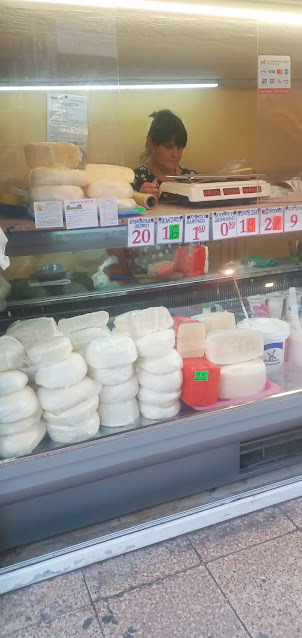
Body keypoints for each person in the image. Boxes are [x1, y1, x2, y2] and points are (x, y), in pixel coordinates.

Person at [133, 110, 196, 196]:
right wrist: (138, 197)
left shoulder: (193, 179)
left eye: (180, 147)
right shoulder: (134, 181)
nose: (175, 154)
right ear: (150, 143)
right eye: (168, 147)